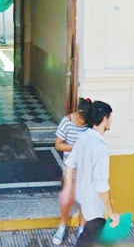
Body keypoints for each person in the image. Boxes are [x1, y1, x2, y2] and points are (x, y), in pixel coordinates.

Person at [64, 100, 120, 247]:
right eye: (110, 118)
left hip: (82, 195)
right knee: (89, 238)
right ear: (104, 119)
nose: (111, 121)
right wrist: (111, 212)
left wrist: (69, 188)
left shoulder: (83, 137)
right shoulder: (100, 148)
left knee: (89, 236)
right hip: (94, 203)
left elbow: (69, 164)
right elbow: (101, 186)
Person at [52, 98, 92, 245]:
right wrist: (76, 147)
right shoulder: (67, 122)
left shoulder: (91, 123)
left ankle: (82, 228)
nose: (83, 120)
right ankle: (62, 226)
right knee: (67, 198)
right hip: (70, 168)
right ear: (78, 111)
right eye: (81, 117)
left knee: (85, 199)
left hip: (86, 168)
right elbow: (58, 145)